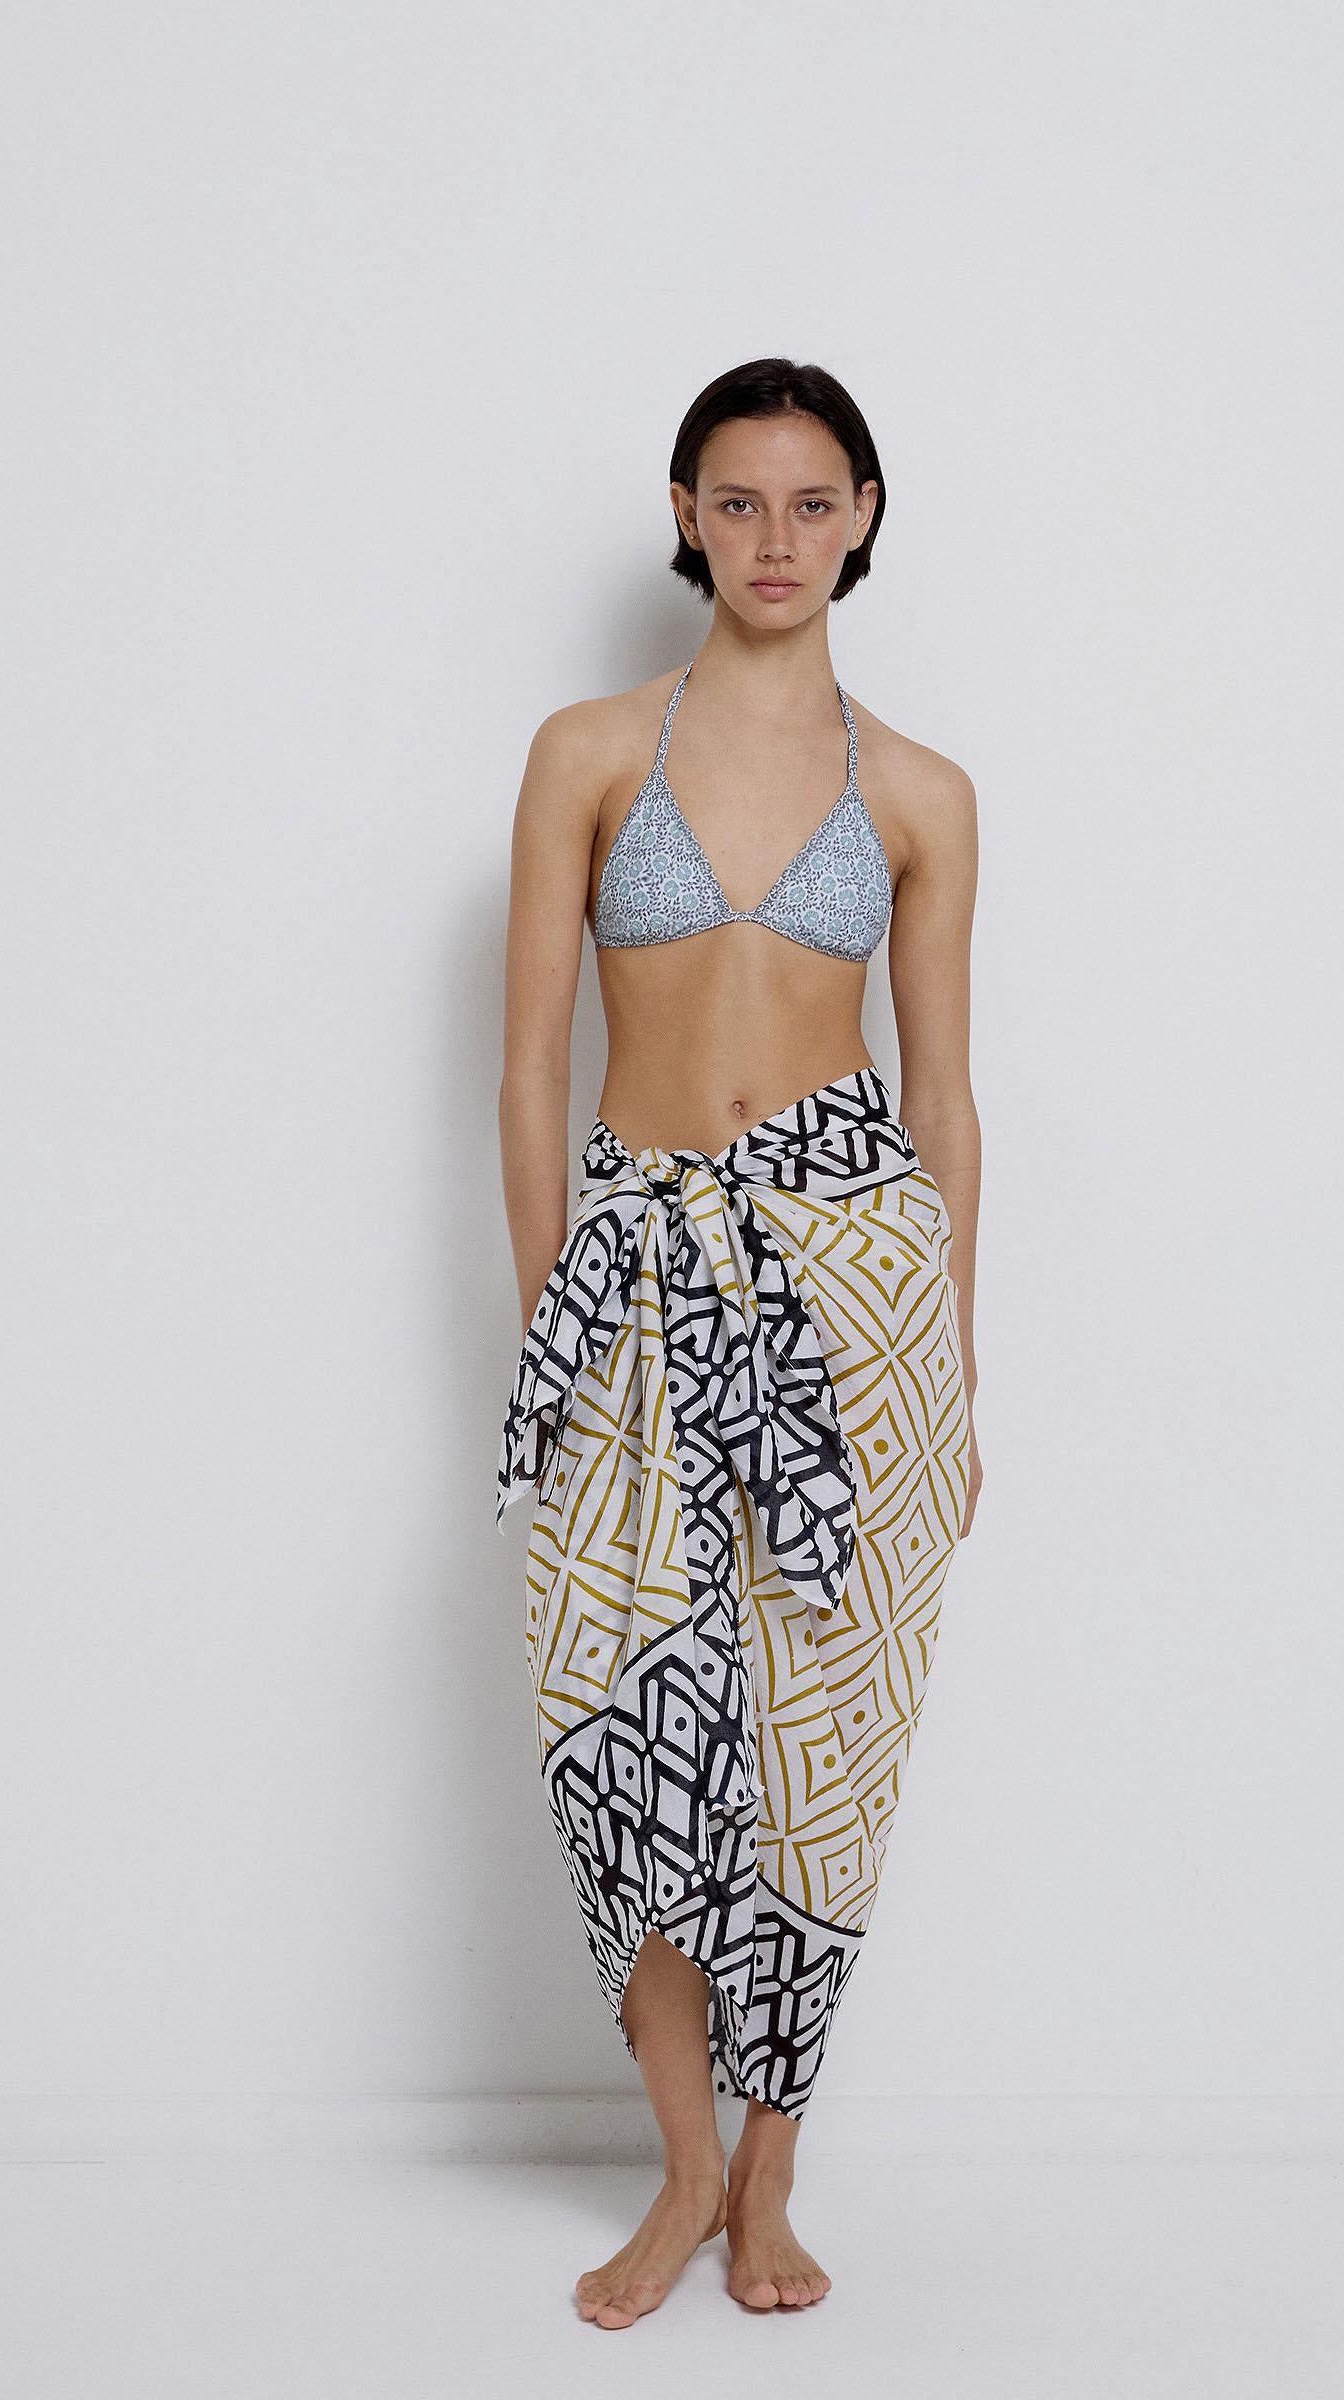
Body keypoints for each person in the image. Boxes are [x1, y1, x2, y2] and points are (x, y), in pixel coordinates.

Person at [495, 356, 981, 2328]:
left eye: (812, 501)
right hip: (633, 1280)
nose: (776, 537)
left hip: (856, 1296)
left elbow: (944, 1099)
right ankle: (681, 2163)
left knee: (814, 1755)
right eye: (737, 500)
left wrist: (959, 1376)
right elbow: (531, 1067)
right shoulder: (589, 752)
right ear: (687, 517)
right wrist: (552, 1324)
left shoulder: (924, 793)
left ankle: (767, 2172)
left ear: (864, 519)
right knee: (618, 1731)